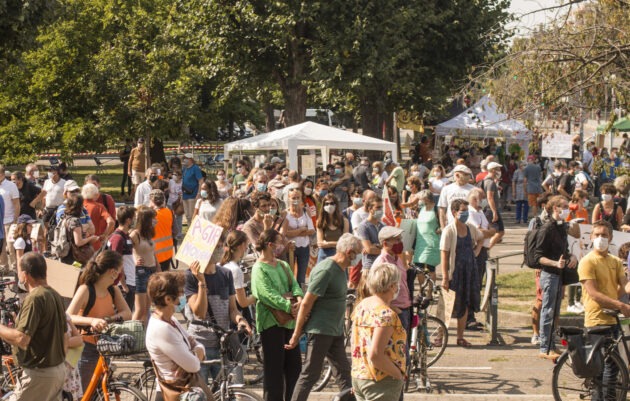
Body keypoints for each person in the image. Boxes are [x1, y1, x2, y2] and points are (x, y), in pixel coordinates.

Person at [286, 234, 361, 401]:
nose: (359, 258)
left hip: (334, 330)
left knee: (343, 373)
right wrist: (296, 334)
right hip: (320, 330)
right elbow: (306, 303)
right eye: (358, 253)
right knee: (310, 374)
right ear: (349, 252)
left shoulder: (341, 270)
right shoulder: (326, 270)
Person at [0, 253, 66, 401]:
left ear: (25, 274)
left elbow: (21, 338)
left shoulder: (35, 298)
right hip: (57, 370)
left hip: (40, 375)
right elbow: (63, 335)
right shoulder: (55, 295)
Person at [578, 219, 630, 399]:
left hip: (612, 320)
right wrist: (620, 305)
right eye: (597, 235)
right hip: (596, 320)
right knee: (599, 371)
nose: (601, 238)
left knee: (613, 369)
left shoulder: (614, 261)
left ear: (611, 237)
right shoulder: (587, 261)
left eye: (604, 235)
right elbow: (593, 293)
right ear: (591, 237)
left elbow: (624, 285)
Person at [66, 250, 132, 391]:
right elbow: (68, 316)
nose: (121, 275)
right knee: (83, 392)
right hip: (85, 348)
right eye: (120, 271)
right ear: (112, 272)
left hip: (106, 346)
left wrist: (109, 319)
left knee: (100, 391)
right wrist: (92, 321)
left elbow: (127, 313)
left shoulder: (113, 290)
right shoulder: (85, 290)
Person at [185, 241, 251, 381]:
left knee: (225, 390)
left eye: (222, 245)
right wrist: (201, 282)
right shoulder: (190, 276)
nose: (222, 249)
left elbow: (232, 309)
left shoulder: (226, 274)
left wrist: (240, 320)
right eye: (217, 246)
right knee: (199, 393)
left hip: (222, 345)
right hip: (200, 345)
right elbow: (200, 313)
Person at [251, 229, 304, 401]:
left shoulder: (283, 265)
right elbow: (265, 294)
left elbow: (294, 285)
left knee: (294, 367)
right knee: (274, 370)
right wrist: (289, 305)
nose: (281, 246)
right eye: (278, 243)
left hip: (289, 322)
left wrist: (299, 300)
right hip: (271, 323)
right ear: (269, 245)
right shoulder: (258, 268)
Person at [146, 271, 209, 401]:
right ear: (168, 299)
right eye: (180, 294)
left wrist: (194, 351)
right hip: (175, 392)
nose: (183, 297)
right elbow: (194, 365)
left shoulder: (172, 320)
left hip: (183, 390)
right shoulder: (162, 329)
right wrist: (194, 353)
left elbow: (196, 344)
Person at [350, 262, 406, 400]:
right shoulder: (386, 314)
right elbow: (375, 354)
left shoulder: (362, 305)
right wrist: (398, 374)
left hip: (360, 374)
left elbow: (354, 342)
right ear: (392, 286)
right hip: (380, 378)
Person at [534, 195, 579, 359]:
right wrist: (554, 263)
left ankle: (551, 344)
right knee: (548, 311)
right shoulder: (547, 228)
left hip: (559, 275)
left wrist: (572, 256)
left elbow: (565, 249)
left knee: (555, 313)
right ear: (555, 208)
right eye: (564, 206)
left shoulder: (561, 226)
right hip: (549, 274)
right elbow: (538, 256)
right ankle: (544, 347)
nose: (567, 209)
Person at [440, 198, 484, 347]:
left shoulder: (470, 228)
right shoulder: (449, 230)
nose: (465, 214)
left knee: (465, 304)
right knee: (448, 305)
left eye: (467, 211)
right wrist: (445, 277)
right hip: (455, 272)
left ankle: (460, 336)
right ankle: (440, 336)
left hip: (469, 272)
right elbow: (444, 254)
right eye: (462, 211)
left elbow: (481, 238)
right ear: (454, 212)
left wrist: (476, 251)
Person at [373, 226, 411, 332]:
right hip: (393, 311)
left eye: (400, 239)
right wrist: (394, 309)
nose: (400, 242)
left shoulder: (397, 259)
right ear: (385, 243)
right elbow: (375, 292)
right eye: (397, 240)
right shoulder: (382, 263)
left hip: (404, 309)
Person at [130, 205, 159, 323]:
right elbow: (126, 252)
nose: (155, 221)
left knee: (147, 309)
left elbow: (152, 252)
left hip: (152, 271)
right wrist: (134, 261)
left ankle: (144, 336)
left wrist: (158, 267)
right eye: (152, 218)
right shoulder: (134, 235)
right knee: (140, 310)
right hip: (141, 272)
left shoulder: (148, 234)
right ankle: (131, 334)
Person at [283, 188, 315, 285]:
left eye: (298, 197)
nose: (296, 200)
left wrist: (293, 232)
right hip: (290, 248)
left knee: (301, 276)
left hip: (304, 247)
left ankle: (300, 294)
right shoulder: (285, 214)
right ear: (289, 199)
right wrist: (301, 230)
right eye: (293, 198)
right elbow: (285, 233)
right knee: (289, 274)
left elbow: (312, 230)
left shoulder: (306, 211)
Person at [108, 206, 137, 309]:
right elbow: (116, 263)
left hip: (130, 281)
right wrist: (124, 284)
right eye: (134, 218)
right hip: (124, 284)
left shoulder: (125, 235)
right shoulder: (117, 238)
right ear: (128, 220)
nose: (135, 220)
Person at [412, 190, 441, 296]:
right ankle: (421, 290)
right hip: (420, 242)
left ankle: (430, 292)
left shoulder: (436, 208)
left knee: (430, 268)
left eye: (420, 199)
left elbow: (443, 222)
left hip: (431, 241)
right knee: (419, 268)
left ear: (427, 199)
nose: (419, 201)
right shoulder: (422, 208)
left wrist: (441, 228)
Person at [221, 230, 256, 309]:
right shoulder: (235, 270)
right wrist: (257, 296)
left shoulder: (220, 264)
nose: (247, 248)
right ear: (242, 245)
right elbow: (243, 302)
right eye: (247, 245)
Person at [61, 196, 99, 266]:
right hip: (74, 256)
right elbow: (78, 242)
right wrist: (91, 238)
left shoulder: (65, 218)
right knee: (77, 274)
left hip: (66, 253)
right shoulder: (75, 221)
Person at [316, 194, 349, 263]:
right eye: (326, 204)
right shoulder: (320, 221)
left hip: (339, 255)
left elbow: (345, 243)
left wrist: (328, 244)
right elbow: (320, 243)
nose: (329, 206)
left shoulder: (344, 221)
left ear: (336, 205)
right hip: (324, 255)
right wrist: (336, 243)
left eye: (332, 203)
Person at [82, 183, 115, 250]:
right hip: (94, 243)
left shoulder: (78, 206)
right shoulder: (99, 207)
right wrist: (105, 235)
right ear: (95, 194)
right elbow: (111, 222)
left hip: (79, 243)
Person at [356, 196, 385, 272]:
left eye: (381, 207)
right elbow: (369, 249)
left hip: (383, 264)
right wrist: (384, 249)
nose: (380, 210)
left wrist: (376, 246)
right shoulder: (363, 226)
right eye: (378, 207)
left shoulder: (383, 226)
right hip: (370, 266)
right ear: (370, 209)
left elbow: (391, 246)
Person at [150, 189, 176, 272]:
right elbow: (176, 231)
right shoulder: (170, 212)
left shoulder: (150, 215)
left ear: (152, 201)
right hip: (168, 252)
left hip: (154, 254)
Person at [0, 165, 20, 274]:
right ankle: (4, 267)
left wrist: (15, 221)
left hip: (9, 220)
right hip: (0, 222)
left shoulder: (11, 186)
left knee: (11, 245)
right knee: (1, 246)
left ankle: (15, 267)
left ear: (2, 174)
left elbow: (16, 204)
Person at [13, 214, 38, 294]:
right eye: (29, 225)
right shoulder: (20, 241)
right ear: (23, 226)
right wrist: (21, 276)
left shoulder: (28, 239)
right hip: (23, 273)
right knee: (23, 299)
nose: (32, 227)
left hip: (29, 271)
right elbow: (19, 258)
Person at [482, 162, 505, 248]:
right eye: (498, 169)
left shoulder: (487, 181)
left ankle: (486, 249)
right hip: (490, 209)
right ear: (492, 170)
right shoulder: (490, 182)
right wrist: (494, 212)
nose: (499, 171)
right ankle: (486, 249)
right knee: (499, 232)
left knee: (495, 231)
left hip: (489, 209)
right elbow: (490, 197)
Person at [181, 153, 205, 225]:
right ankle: (189, 230)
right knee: (187, 215)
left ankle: (193, 232)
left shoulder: (195, 168)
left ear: (191, 159)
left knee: (192, 215)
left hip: (193, 194)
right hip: (185, 194)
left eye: (186, 158)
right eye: (184, 158)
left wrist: (199, 193)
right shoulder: (184, 168)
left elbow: (201, 181)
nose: (184, 160)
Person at [167, 170, 183, 242]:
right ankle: (171, 233)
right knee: (170, 218)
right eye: (173, 174)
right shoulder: (170, 181)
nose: (174, 176)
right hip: (170, 202)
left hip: (179, 203)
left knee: (178, 218)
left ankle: (179, 233)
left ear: (180, 176)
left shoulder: (183, 182)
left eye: (176, 174)